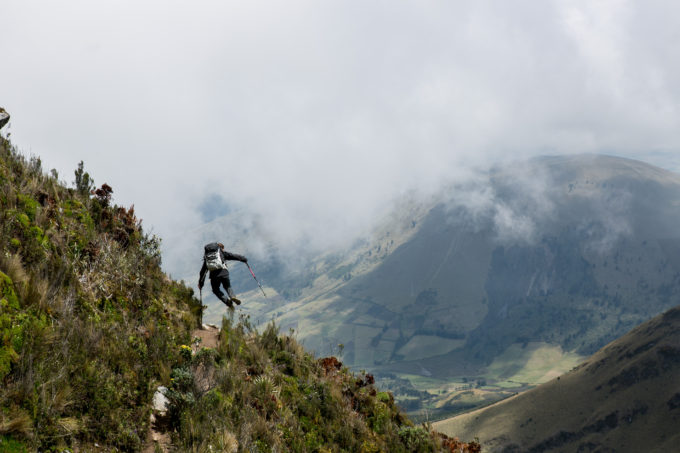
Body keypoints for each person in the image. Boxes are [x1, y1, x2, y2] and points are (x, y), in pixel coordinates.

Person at [198, 242, 248, 309]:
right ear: (220, 248)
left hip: (214, 276)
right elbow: (233, 256)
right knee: (227, 286)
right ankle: (232, 296)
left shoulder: (207, 258)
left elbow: (202, 273)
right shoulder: (222, 254)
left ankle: (227, 302)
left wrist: (201, 284)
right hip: (224, 272)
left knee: (215, 290)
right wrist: (244, 259)